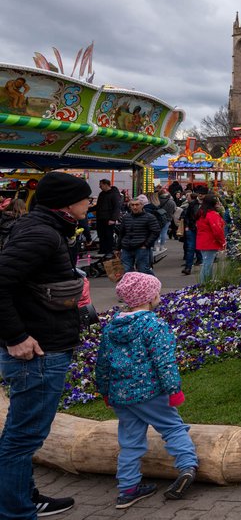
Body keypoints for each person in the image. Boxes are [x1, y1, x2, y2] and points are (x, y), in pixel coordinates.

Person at [0, 171, 92, 519]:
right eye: (85, 197)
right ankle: (15, 510)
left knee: (23, 434)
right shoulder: (41, 233)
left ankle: (23, 497)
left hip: (45, 343)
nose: (90, 203)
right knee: (23, 437)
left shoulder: (46, 228)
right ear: (66, 203)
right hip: (37, 351)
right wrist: (16, 337)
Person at [96, 272, 198, 507]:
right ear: (150, 297)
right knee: (172, 427)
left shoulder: (111, 328)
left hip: (121, 395)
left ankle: (128, 489)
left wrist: (105, 392)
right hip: (150, 392)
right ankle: (187, 466)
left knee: (130, 441)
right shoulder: (154, 325)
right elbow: (164, 361)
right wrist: (173, 390)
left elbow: (102, 363)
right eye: (157, 293)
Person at [119, 195, 161, 276]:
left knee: (143, 270)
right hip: (127, 247)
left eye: (137, 205)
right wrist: (118, 248)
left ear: (142, 205)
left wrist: (146, 245)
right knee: (127, 271)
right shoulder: (126, 217)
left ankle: (153, 282)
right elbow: (122, 233)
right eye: (132, 205)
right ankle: (132, 284)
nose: (135, 207)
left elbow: (155, 231)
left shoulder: (149, 217)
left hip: (141, 247)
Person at [194, 195, 226, 284]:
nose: (219, 204)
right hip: (210, 242)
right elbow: (217, 230)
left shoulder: (201, 213)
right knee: (207, 265)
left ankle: (205, 283)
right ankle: (204, 284)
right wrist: (222, 242)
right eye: (217, 202)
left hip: (202, 241)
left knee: (206, 263)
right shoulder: (212, 214)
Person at [95, 178, 123, 264]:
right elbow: (98, 206)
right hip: (100, 218)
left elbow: (117, 207)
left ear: (106, 184)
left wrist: (113, 219)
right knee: (101, 234)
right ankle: (103, 249)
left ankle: (109, 250)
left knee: (108, 235)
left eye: (101, 185)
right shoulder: (102, 194)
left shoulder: (114, 194)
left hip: (108, 219)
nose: (99, 186)